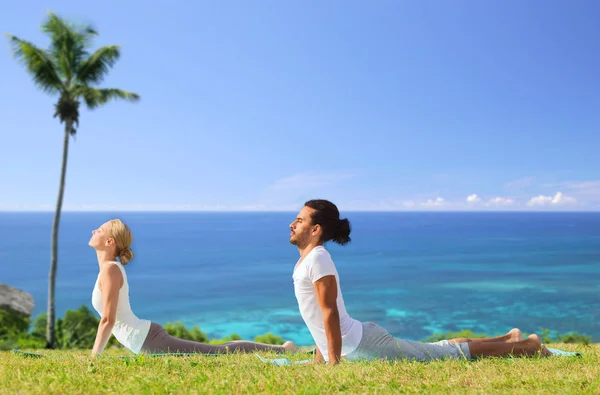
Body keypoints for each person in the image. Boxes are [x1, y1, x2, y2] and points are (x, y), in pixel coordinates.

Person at [289, 199, 551, 365]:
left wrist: (332, 363)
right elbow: (316, 318)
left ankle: (530, 347)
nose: (292, 224)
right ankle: (508, 337)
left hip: (362, 345)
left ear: (316, 229)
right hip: (356, 342)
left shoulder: (319, 258)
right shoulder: (308, 260)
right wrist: (321, 358)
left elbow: (329, 312)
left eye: (299, 220)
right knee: (437, 349)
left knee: (448, 356)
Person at [88, 219, 298, 357]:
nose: (92, 230)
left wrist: (93, 357)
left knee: (219, 353)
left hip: (148, 341)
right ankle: (281, 348)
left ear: (109, 241)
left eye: (98, 230)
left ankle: (282, 349)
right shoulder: (108, 270)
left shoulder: (110, 271)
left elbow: (108, 319)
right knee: (217, 350)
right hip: (144, 339)